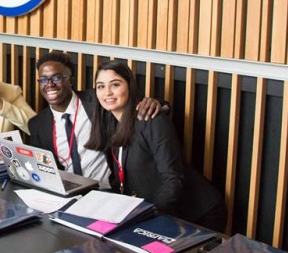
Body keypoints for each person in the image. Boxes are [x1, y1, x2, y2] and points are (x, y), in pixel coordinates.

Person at [87, 59, 227, 232]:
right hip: (161, 212)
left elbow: (172, 180)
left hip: (198, 214)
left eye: (115, 84)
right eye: (100, 86)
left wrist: (144, 216)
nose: (107, 92)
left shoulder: (151, 120)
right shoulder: (109, 124)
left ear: (130, 86)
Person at [27, 52, 161, 189]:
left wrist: (159, 104)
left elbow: (134, 103)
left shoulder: (98, 100)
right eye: (43, 80)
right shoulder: (38, 124)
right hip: (68, 194)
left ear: (71, 80)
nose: (49, 84)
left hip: (107, 191)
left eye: (56, 78)